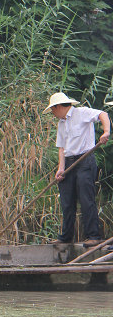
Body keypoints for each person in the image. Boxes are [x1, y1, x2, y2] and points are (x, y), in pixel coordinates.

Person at [45, 92, 110, 246]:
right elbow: (62, 148)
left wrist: (106, 132)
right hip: (69, 163)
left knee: (86, 198)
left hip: (84, 161)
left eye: (53, 110)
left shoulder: (82, 113)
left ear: (58, 107)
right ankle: (66, 237)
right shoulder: (61, 123)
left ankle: (93, 236)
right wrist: (61, 168)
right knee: (67, 201)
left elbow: (103, 114)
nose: (53, 113)